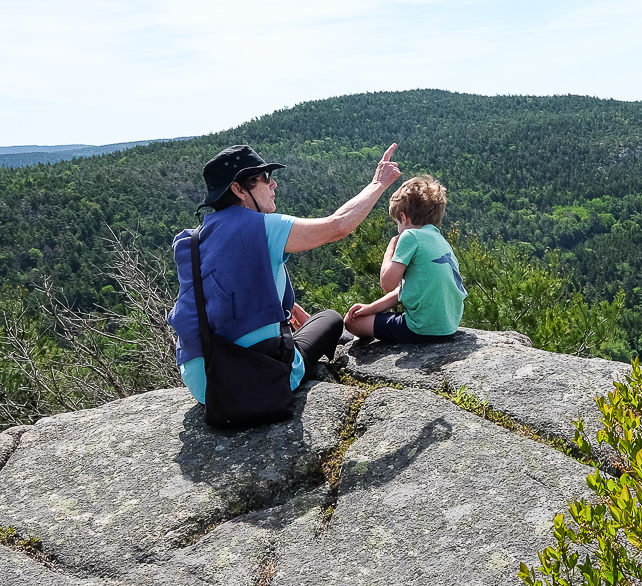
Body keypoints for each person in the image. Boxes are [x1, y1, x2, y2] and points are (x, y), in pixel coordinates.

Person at [169, 143, 402, 405]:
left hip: (203, 383)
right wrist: (378, 184)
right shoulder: (261, 227)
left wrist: (283, 303)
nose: (273, 184)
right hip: (256, 378)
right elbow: (338, 226)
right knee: (330, 319)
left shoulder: (190, 240)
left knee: (297, 322)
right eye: (264, 178)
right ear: (238, 189)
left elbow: (215, 292)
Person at [344, 174, 466, 343]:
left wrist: (390, 249)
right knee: (369, 316)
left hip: (420, 328)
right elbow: (403, 290)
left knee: (351, 322)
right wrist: (371, 308)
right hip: (448, 327)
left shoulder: (410, 235)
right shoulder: (440, 240)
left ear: (403, 217)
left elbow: (387, 284)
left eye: (397, 223)